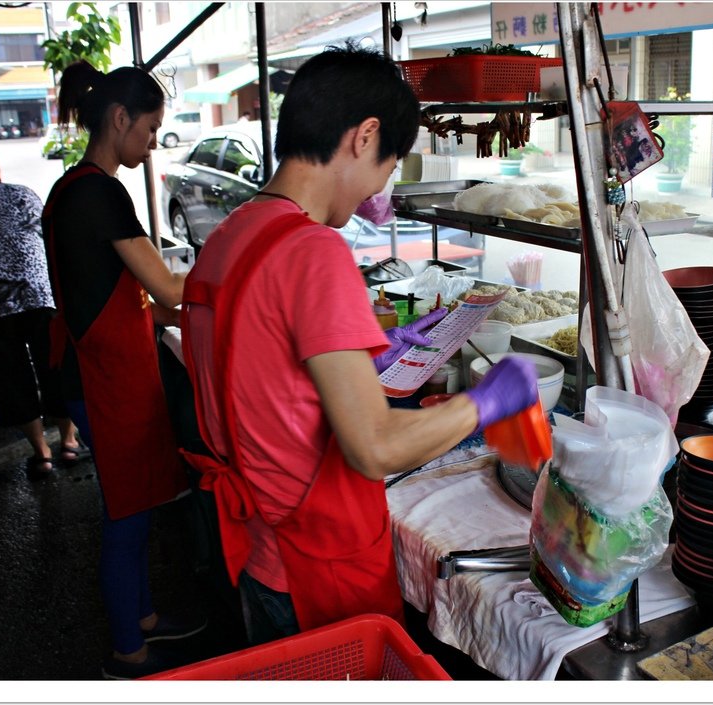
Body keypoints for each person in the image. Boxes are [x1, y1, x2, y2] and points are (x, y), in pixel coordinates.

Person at [181, 43, 538, 646]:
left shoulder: (231, 235)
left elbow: (259, 370)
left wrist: (371, 353)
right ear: (364, 136)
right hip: (317, 559)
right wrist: (485, 402)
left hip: (258, 548)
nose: (382, 186)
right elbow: (373, 446)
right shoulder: (313, 251)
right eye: (390, 163)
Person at [42, 60, 204, 679]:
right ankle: (128, 654)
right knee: (126, 515)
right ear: (119, 119)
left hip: (99, 368)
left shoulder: (69, 188)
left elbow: (140, 294)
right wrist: (236, 272)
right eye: (152, 128)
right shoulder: (97, 190)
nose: (154, 141)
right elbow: (166, 282)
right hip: (103, 377)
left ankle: (140, 618)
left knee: (131, 505)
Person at [0, 146, 84, 478]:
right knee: (53, 370)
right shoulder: (26, 194)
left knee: (13, 380)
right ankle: (68, 441)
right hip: (38, 296)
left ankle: (42, 453)